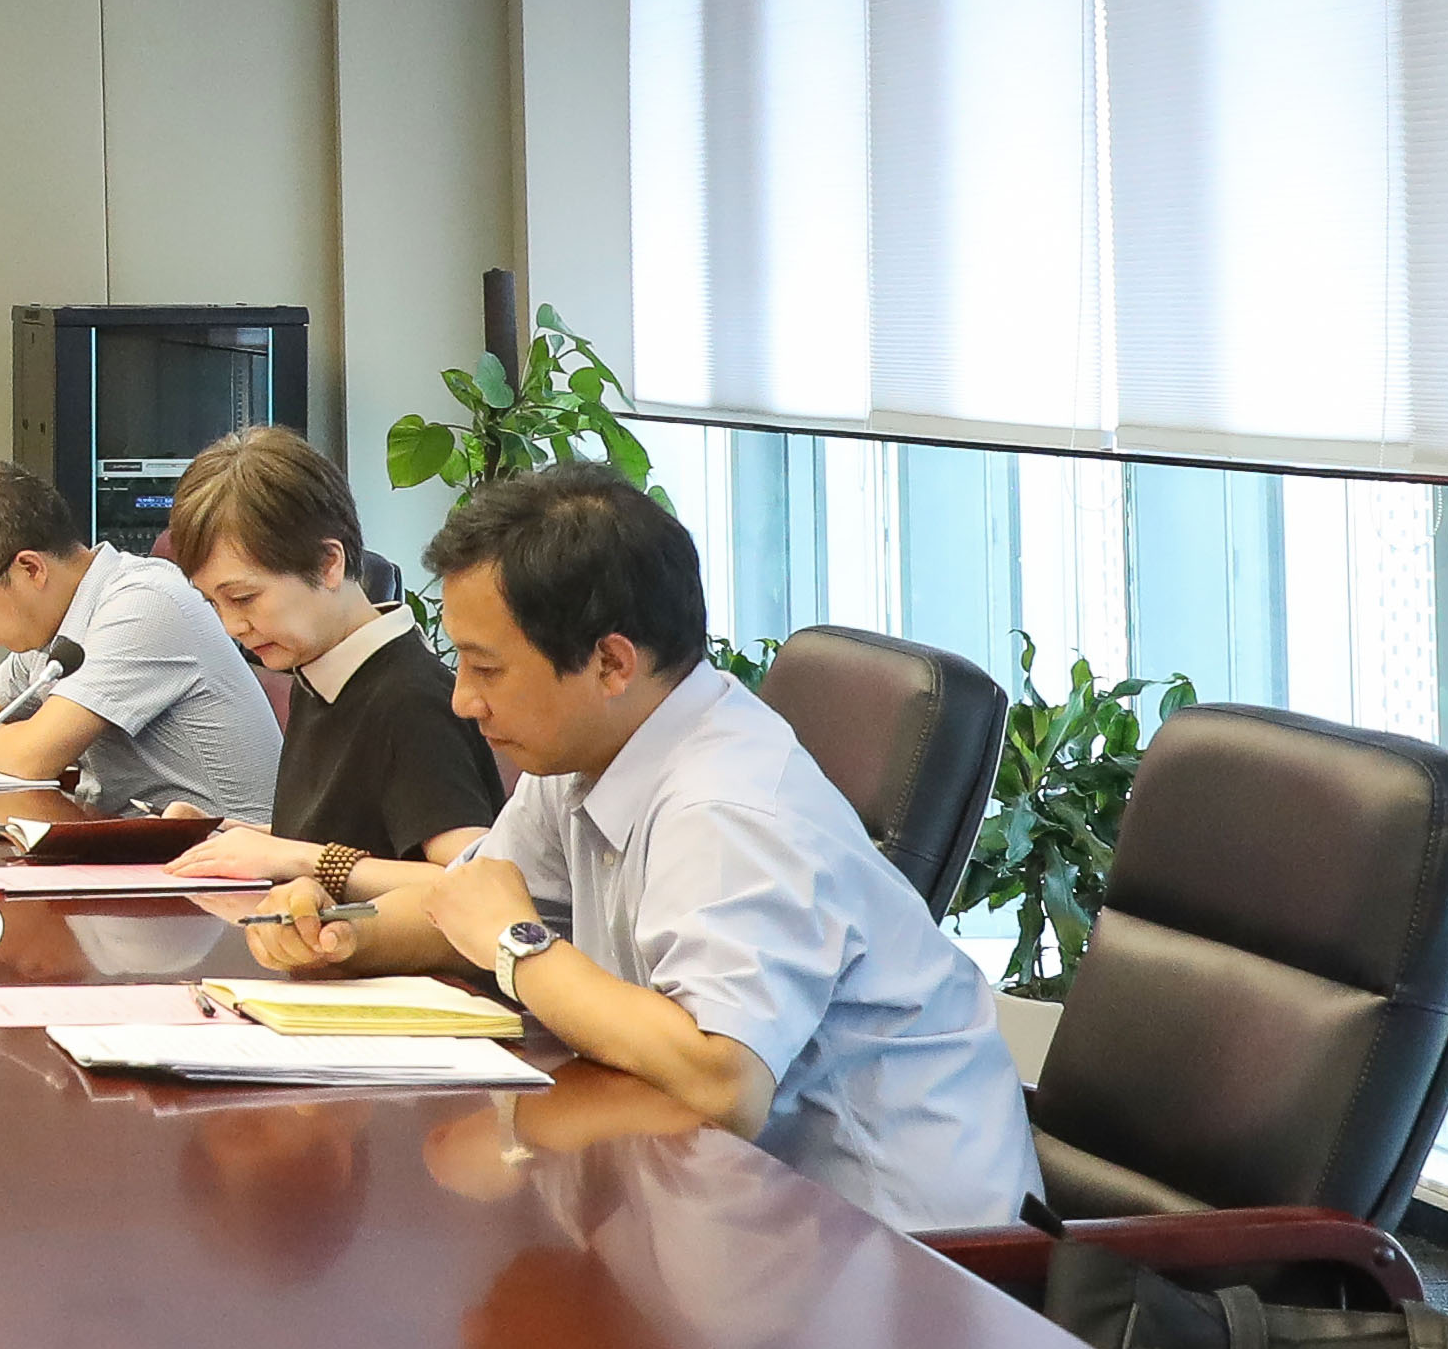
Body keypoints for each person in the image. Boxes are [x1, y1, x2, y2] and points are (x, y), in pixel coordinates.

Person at [255, 464, 1034, 1233]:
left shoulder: (728, 809)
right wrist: (339, 935)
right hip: (730, 1206)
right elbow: (468, 904)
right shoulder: (586, 749)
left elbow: (722, 1082)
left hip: (908, 1254)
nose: (463, 699)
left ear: (611, 663)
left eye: (485, 667)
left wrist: (516, 944)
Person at [153, 424, 503, 878]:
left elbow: (473, 880)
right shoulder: (318, 672)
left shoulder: (409, 699)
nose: (231, 626)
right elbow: (353, 837)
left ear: (327, 563)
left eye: (243, 598)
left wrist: (302, 861)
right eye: (212, 603)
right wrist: (227, 836)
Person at [0, 459, 278, 823]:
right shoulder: (60, 620)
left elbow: (32, 757)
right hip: (137, 845)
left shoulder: (142, 604)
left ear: (31, 569)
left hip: (226, 860)